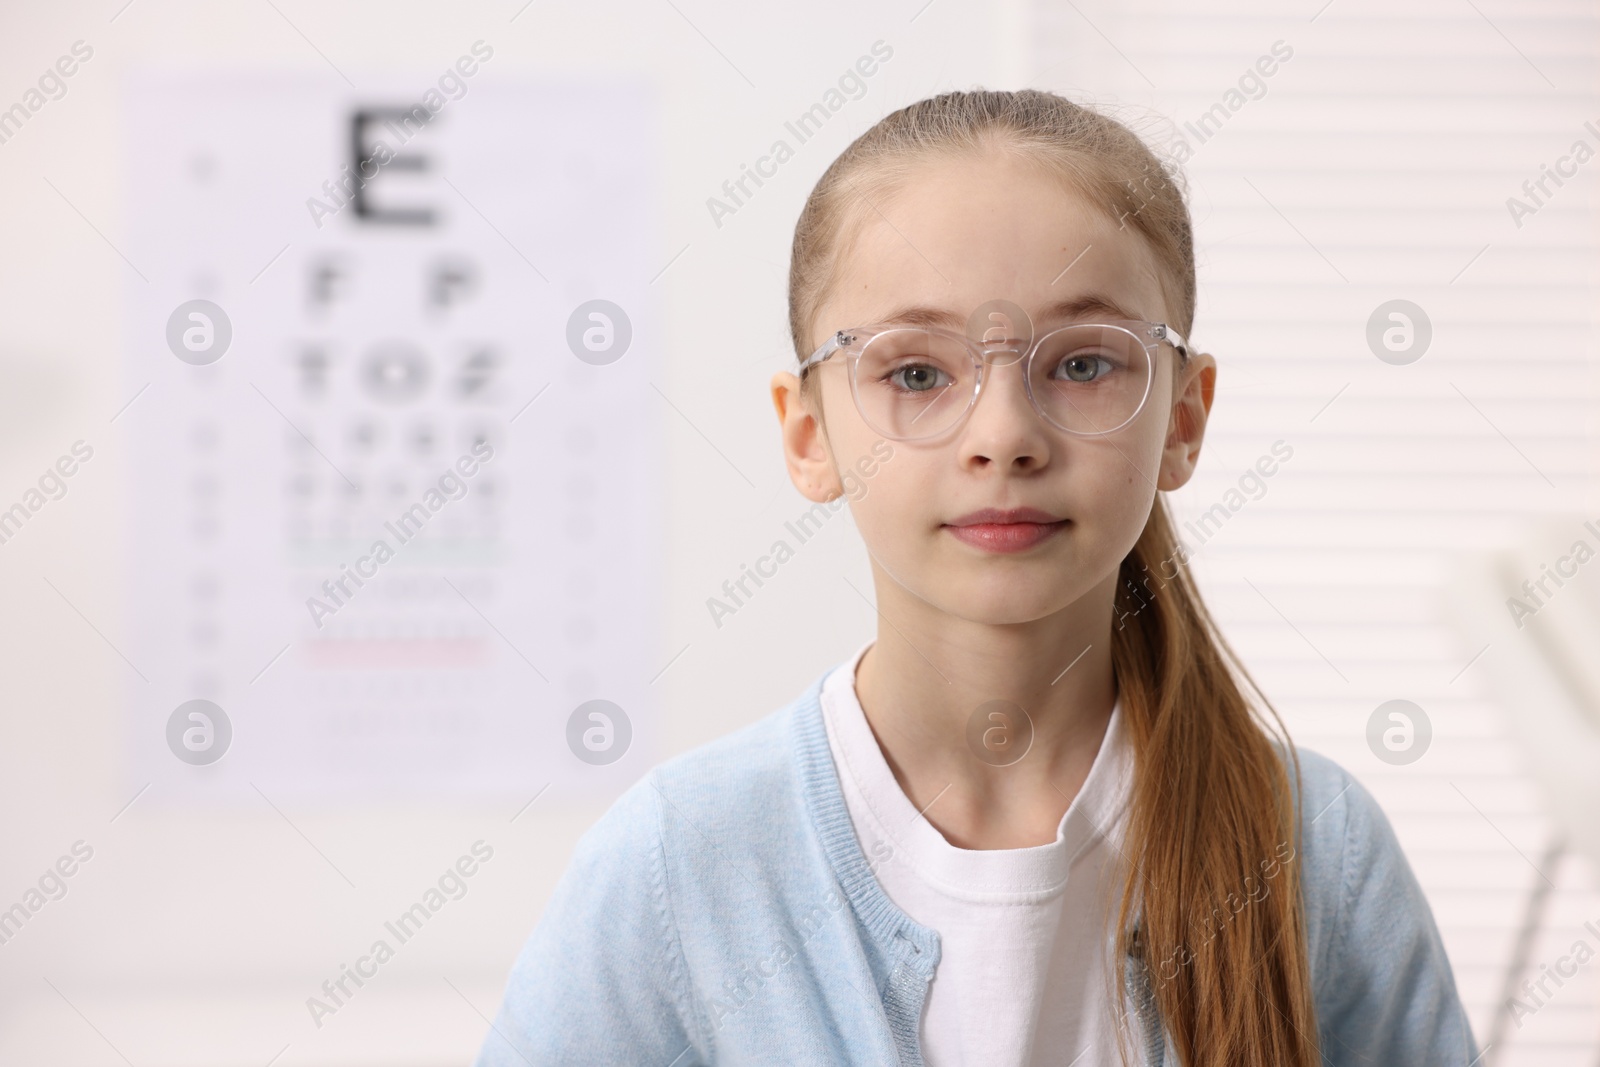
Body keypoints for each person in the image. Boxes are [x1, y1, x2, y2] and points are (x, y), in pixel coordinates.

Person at [472, 88, 1478, 1067]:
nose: (1003, 435)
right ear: (807, 430)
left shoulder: (1315, 851)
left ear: (1183, 416)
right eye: (916, 373)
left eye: (1083, 364)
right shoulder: (675, 864)